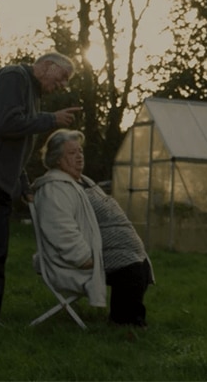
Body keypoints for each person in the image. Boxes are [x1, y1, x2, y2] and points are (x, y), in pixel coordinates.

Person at [0, 52, 81, 325]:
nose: (63, 85)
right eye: (63, 77)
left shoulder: (32, 94)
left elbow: (14, 149)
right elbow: (6, 123)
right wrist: (51, 120)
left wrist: (23, 186)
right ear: (46, 65)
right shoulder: (13, 77)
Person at [33, 129, 154, 327]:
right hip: (75, 260)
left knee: (139, 265)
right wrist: (84, 259)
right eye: (72, 153)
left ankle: (126, 319)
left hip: (99, 251)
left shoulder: (82, 181)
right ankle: (124, 323)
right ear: (56, 159)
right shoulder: (54, 188)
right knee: (129, 267)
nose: (79, 157)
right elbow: (60, 229)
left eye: (80, 151)